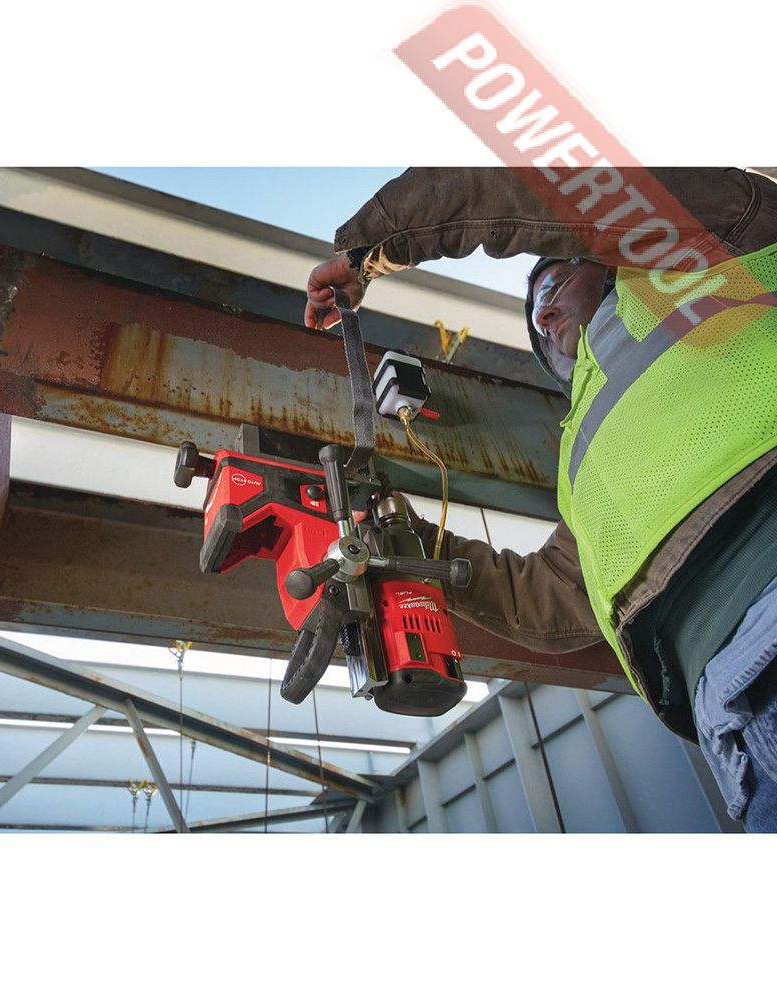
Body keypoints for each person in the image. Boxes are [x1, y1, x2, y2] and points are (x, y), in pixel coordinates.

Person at [304, 167, 777, 832]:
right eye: (534, 315)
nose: (544, 315)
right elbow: (554, 595)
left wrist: (370, 249)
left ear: (607, 260)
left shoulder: (720, 247)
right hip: (737, 728)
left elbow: (548, 186)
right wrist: (401, 539)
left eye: (553, 286)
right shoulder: (585, 453)